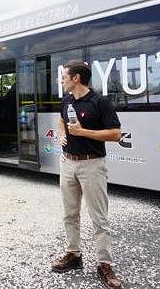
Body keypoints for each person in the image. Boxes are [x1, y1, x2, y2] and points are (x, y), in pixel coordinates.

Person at [51, 60, 123, 289]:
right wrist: (62, 134)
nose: (61, 80)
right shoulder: (67, 100)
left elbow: (115, 134)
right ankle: (73, 255)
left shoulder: (100, 102)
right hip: (68, 163)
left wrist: (84, 132)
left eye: (64, 76)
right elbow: (61, 120)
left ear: (76, 79)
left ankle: (105, 264)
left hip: (92, 165)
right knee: (70, 214)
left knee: (99, 218)